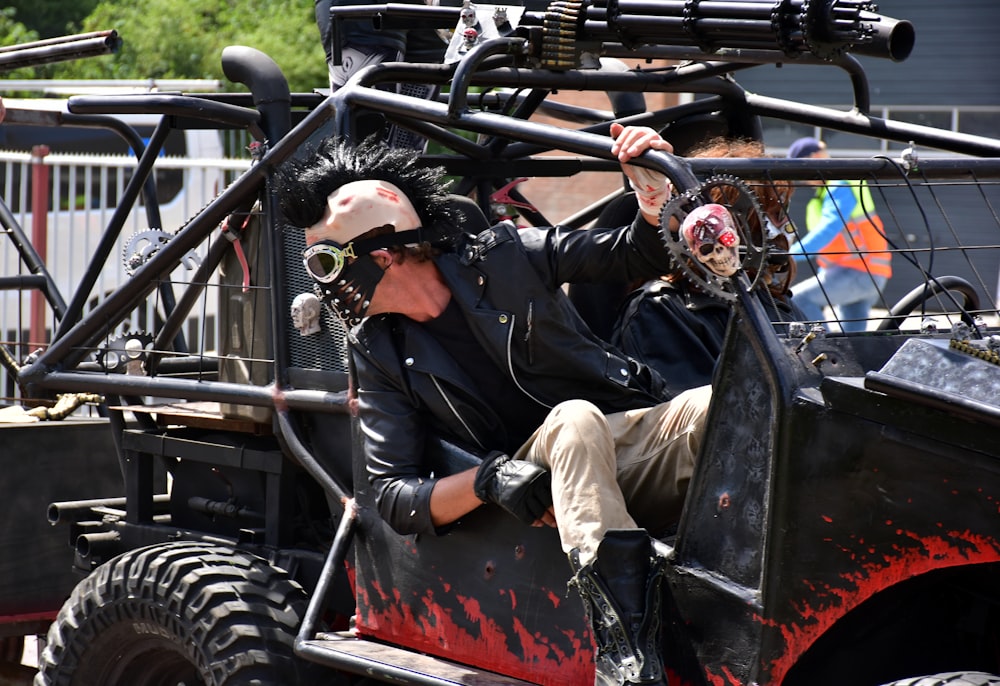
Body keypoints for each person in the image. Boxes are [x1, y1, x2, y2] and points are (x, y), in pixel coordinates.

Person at [276, 124, 711, 686]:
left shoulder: (506, 256)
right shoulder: (378, 350)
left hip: (614, 452)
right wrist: (487, 480)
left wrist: (654, 195)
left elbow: (635, 254)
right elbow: (393, 495)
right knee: (573, 420)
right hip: (533, 487)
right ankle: (626, 656)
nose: (323, 286)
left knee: (715, 408)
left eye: (324, 264)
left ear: (380, 254)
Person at [613, 136, 802, 396]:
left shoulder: (776, 303)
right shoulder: (661, 310)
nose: (779, 227)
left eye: (781, 213)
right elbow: (702, 419)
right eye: (767, 213)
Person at [786, 136, 892, 332]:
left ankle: (826, 352)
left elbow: (829, 229)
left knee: (799, 299)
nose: (803, 178)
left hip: (859, 272)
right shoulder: (820, 199)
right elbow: (830, 247)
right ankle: (854, 360)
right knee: (853, 338)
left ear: (817, 157)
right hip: (860, 273)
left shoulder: (840, 186)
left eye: (802, 168)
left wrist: (788, 255)